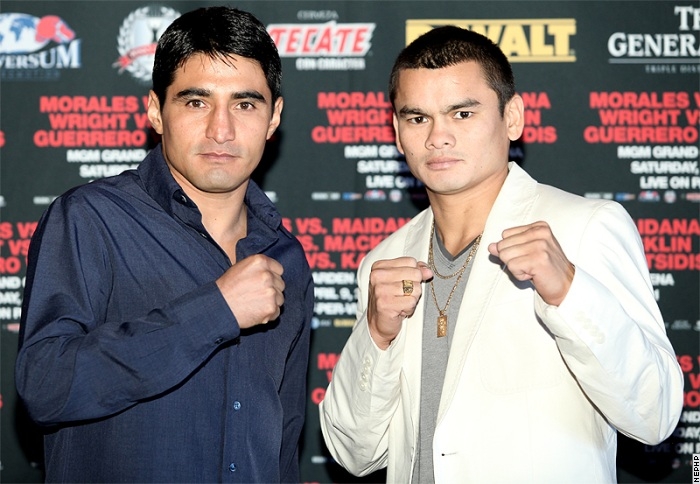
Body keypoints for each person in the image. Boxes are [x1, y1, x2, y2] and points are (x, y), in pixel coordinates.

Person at [319, 25, 683, 483]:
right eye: (417, 118)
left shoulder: (585, 228)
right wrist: (376, 335)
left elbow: (655, 414)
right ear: (397, 131)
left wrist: (569, 293)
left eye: (462, 113)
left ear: (512, 118)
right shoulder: (385, 261)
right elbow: (354, 453)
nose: (437, 137)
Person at [15, 6, 313, 482]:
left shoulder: (286, 257)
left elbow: (283, 442)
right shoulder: (92, 219)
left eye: (245, 104)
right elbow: (46, 387)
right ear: (156, 110)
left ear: (273, 117)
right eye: (196, 102)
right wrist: (215, 311)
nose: (221, 130)